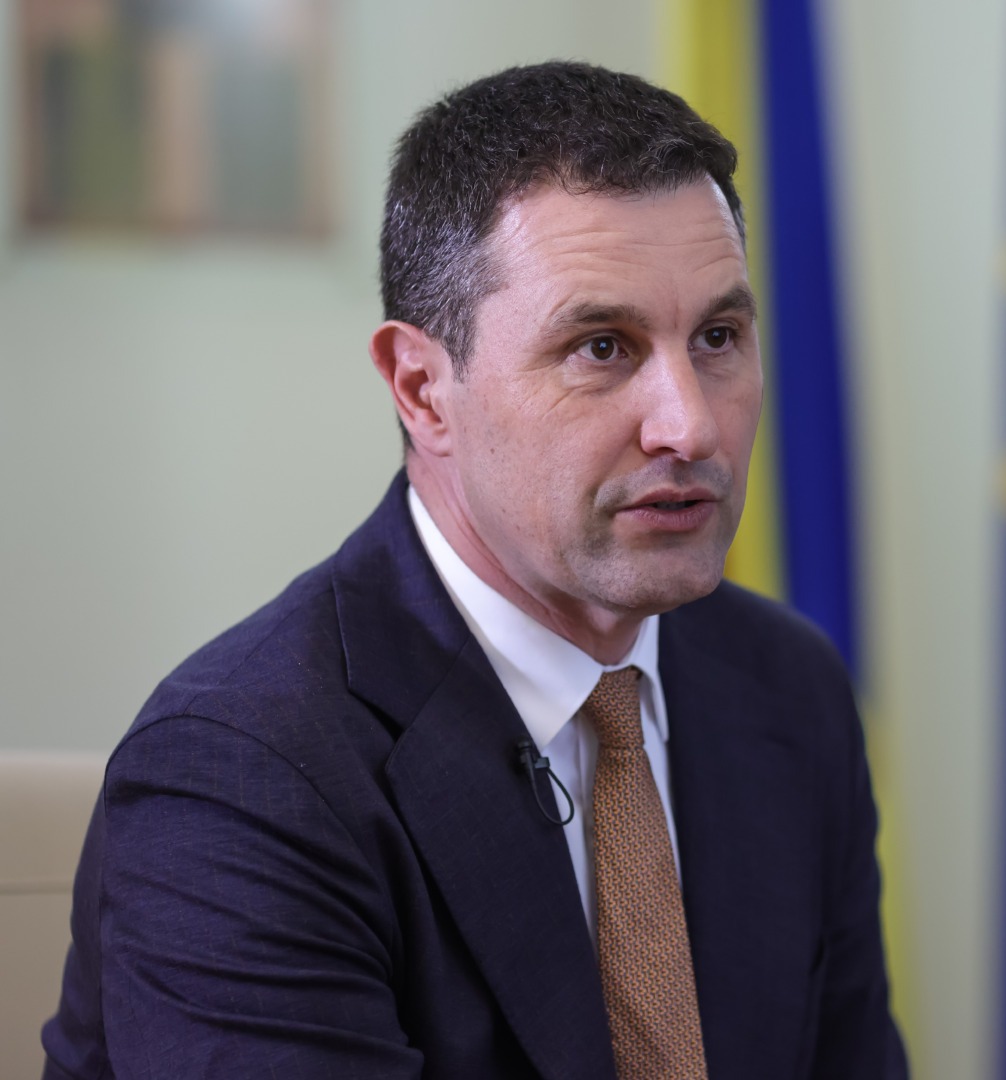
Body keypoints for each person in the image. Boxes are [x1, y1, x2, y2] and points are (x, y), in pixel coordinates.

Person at [41, 61, 906, 1080]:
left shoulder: (789, 689)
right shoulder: (240, 776)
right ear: (421, 388)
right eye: (601, 347)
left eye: (718, 337)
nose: (691, 426)